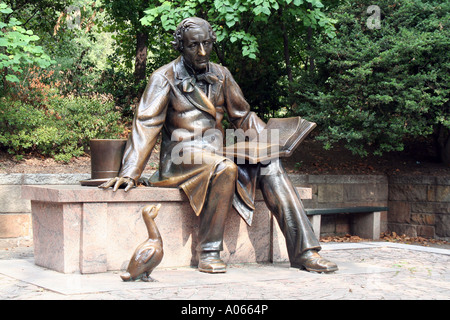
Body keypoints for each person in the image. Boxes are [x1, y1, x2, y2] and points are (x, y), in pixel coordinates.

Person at [100, 17, 338, 274]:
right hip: (181, 156)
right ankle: (209, 251)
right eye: (193, 46)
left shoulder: (221, 75)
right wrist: (130, 172)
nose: (202, 52)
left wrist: (271, 143)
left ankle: (305, 252)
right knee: (224, 168)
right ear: (180, 45)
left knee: (270, 164)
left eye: (206, 44)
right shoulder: (164, 78)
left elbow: (243, 117)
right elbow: (146, 124)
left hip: (216, 151)